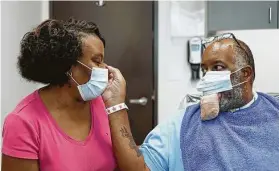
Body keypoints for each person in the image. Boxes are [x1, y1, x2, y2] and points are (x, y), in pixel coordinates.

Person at [104, 33, 279, 171]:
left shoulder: (273, 112)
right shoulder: (184, 123)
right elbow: (138, 167)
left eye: (217, 67)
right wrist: (116, 104)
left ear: (245, 74)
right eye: (205, 70)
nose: (208, 76)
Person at [2, 18, 119, 171]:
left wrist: (118, 106)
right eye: (97, 61)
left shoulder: (101, 103)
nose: (105, 68)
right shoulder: (23, 122)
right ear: (68, 65)